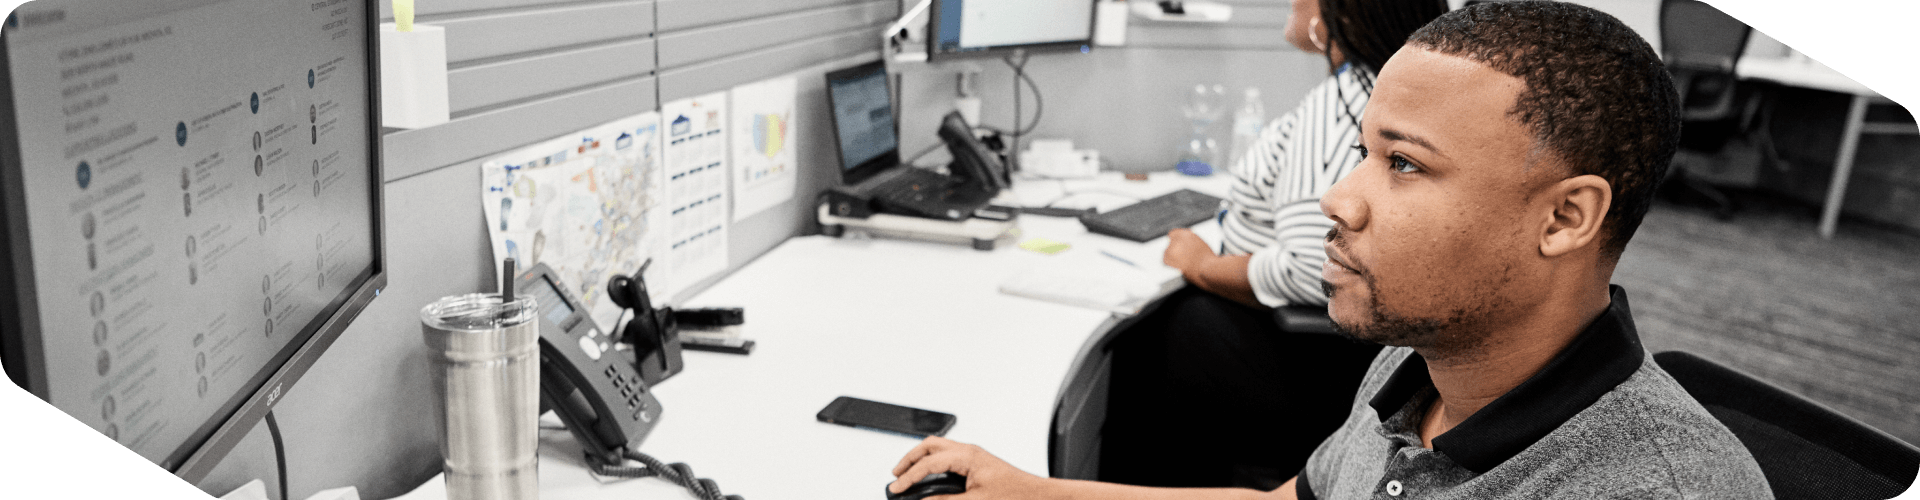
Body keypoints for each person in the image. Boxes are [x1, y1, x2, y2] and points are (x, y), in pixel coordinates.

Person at [888, 2, 1773, 499]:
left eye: (1403, 164)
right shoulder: (1417, 362)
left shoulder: (1653, 492)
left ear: (1566, 218)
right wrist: (1025, 492)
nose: (1338, 199)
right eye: (1363, 150)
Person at [1101, 0, 1447, 489]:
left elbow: (1309, 267)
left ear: (1334, 14)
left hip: (1301, 358)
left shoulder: (1343, 103)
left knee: (1150, 333)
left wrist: (1201, 266)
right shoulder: (1394, 96)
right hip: (1342, 359)